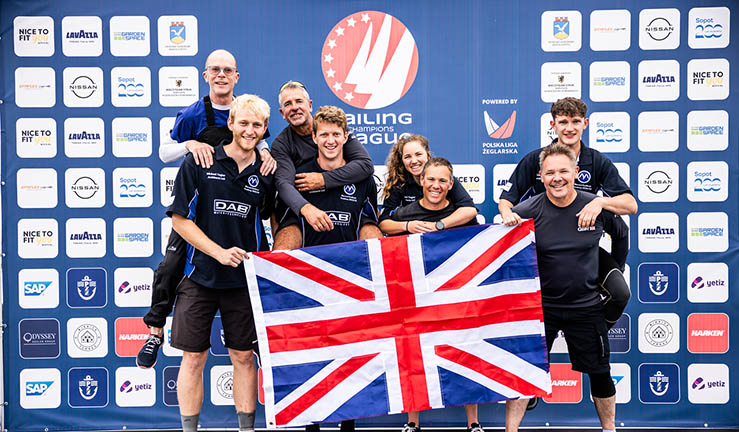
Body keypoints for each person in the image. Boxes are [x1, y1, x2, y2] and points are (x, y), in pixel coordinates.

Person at [137, 49, 276, 368]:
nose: (222, 75)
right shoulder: (193, 113)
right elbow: (163, 152)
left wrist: (266, 154)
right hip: (196, 205)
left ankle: (254, 339)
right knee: (171, 266)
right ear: (206, 75)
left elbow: (257, 139)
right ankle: (155, 331)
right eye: (215, 70)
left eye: (228, 70)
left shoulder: (246, 108)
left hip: (231, 204)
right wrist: (190, 145)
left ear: (237, 77)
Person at [497, 98, 634, 413]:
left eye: (575, 121)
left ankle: (590, 330)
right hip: (543, 248)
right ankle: (530, 385)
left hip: (584, 246)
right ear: (553, 124)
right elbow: (507, 200)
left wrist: (600, 203)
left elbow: (629, 205)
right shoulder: (536, 159)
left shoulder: (596, 161)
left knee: (620, 293)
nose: (569, 128)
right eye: (563, 122)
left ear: (585, 124)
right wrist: (507, 214)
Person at [167, 94, 274, 432]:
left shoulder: (266, 171)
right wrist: (218, 252)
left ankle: (246, 430)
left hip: (244, 280)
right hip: (199, 274)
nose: (249, 129)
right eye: (243, 122)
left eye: (257, 125)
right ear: (230, 124)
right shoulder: (201, 161)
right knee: (194, 357)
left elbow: (270, 219)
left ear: (264, 130)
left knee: (244, 357)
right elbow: (180, 221)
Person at [274, 105, 380, 432]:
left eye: (336, 134)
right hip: (310, 283)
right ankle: (312, 424)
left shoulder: (362, 177)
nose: (330, 140)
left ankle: (348, 424)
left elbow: (370, 222)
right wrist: (278, 261)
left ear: (346, 137)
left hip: (352, 283)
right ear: (315, 138)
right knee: (315, 359)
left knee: (351, 356)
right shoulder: (300, 175)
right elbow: (287, 225)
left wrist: (376, 252)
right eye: (324, 135)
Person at [382, 157, 482, 432]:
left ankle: (473, 423)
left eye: (442, 180)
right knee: (415, 358)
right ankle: (412, 422)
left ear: (451, 184)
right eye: (431, 179)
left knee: (464, 353)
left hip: (454, 300)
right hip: (417, 302)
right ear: (422, 181)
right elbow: (383, 228)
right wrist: (405, 227)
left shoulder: (462, 215)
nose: (436, 185)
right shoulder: (405, 214)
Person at [270, 81, 379, 249]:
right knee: (286, 228)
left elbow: (365, 165)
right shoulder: (282, 144)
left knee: (371, 231)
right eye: (288, 104)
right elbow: (284, 184)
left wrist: (323, 179)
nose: (294, 107)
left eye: (299, 101)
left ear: (310, 105)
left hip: (344, 199)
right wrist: (306, 208)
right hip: (306, 203)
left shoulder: (333, 126)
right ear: (282, 113)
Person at [379, 134, 477, 235]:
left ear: (428, 155)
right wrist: (407, 225)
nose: (414, 161)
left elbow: (469, 210)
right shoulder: (398, 184)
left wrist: (438, 225)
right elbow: (384, 223)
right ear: (402, 160)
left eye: (418, 154)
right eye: (407, 157)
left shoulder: (444, 178)